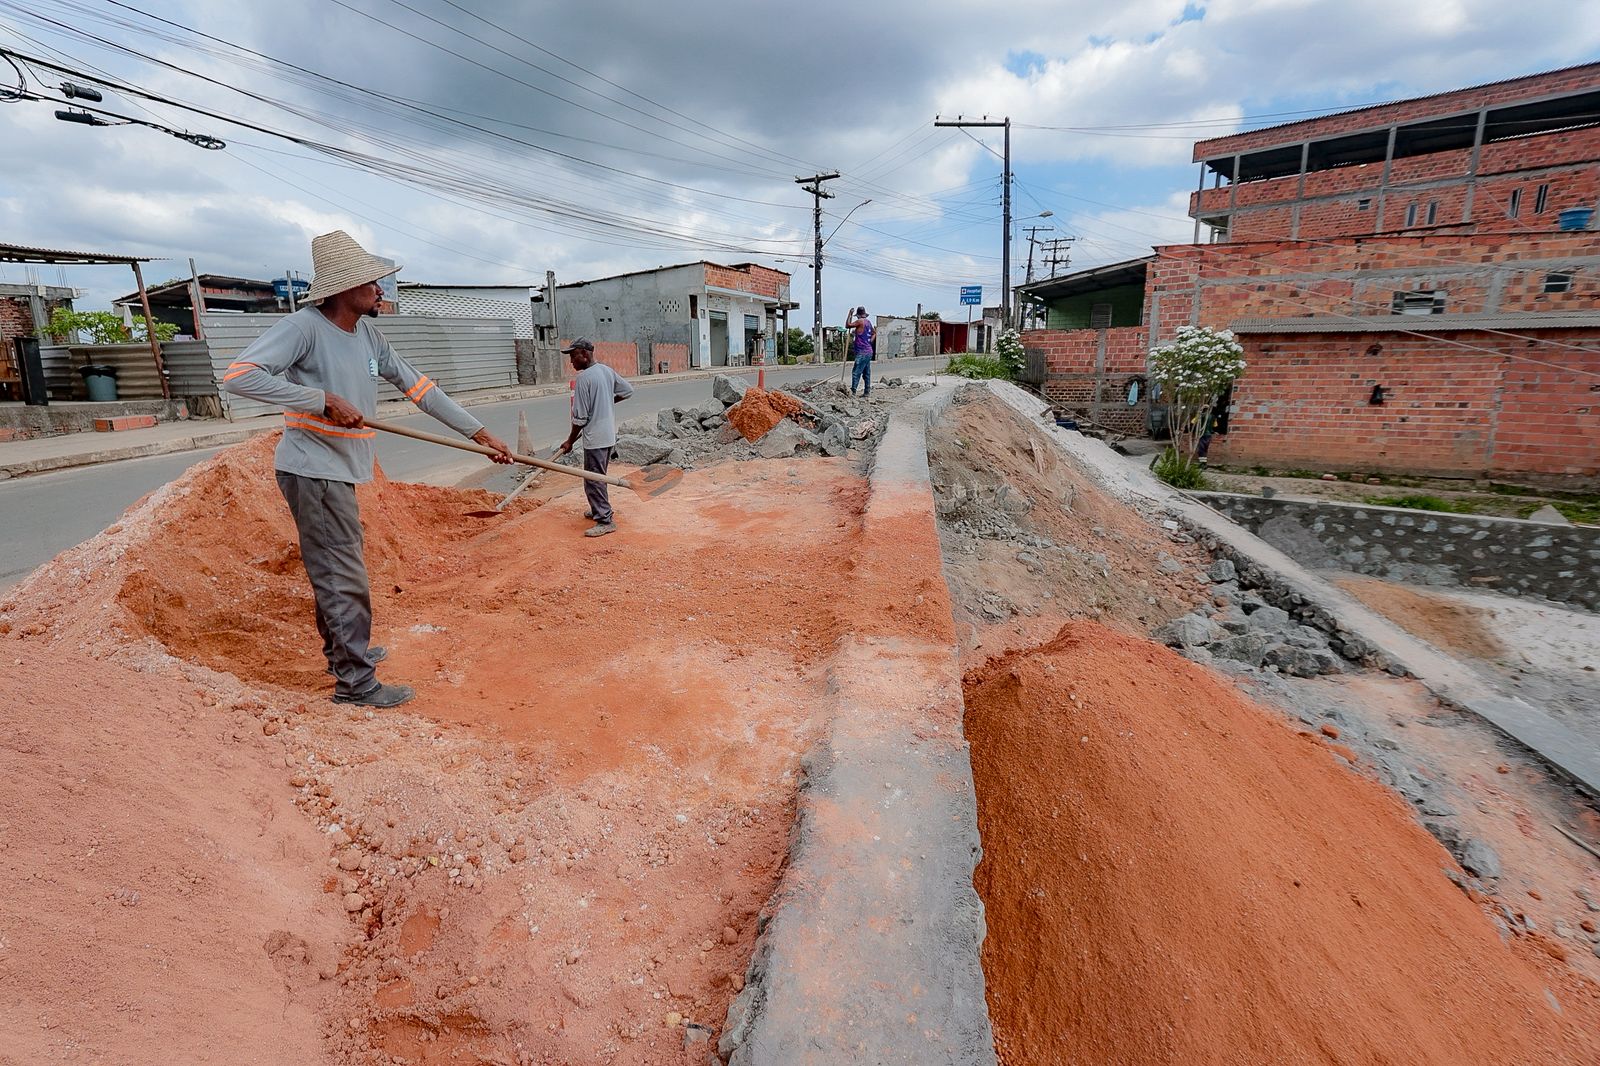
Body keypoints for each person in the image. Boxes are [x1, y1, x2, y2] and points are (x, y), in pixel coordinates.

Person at [222, 230, 513, 708]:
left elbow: (419, 388)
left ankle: (346, 654)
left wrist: (479, 435)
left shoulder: (368, 334)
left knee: (339, 569)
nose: (382, 290)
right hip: (312, 470)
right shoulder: (303, 327)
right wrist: (320, 400)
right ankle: (355, 683)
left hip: (340, 470)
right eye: (373, 283)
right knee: (342, 575)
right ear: (344, 289)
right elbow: (239, 376)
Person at [555, 338, 633, 537]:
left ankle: (605, 519)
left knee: (593, 480)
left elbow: (579, 418)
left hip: (595, 439)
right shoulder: (606, 371)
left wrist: (570, 441)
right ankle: (599, 509)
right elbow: (627, 391)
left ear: (585, 354)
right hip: (608, 436)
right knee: (599, 476)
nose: (571, 362)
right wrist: (606, 402)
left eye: (573, 356)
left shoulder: (584, 379)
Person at [846, 306, 875, 397]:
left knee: (856, 372)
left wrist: (849, 314)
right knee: (866, 373)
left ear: (858, 315)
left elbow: (847, 325)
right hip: (868, 351)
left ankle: (853, 391)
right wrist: (870, 341)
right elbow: (874, 333)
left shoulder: (860, 321)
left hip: (862, 352)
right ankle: (867, 392)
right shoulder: (868, 322)